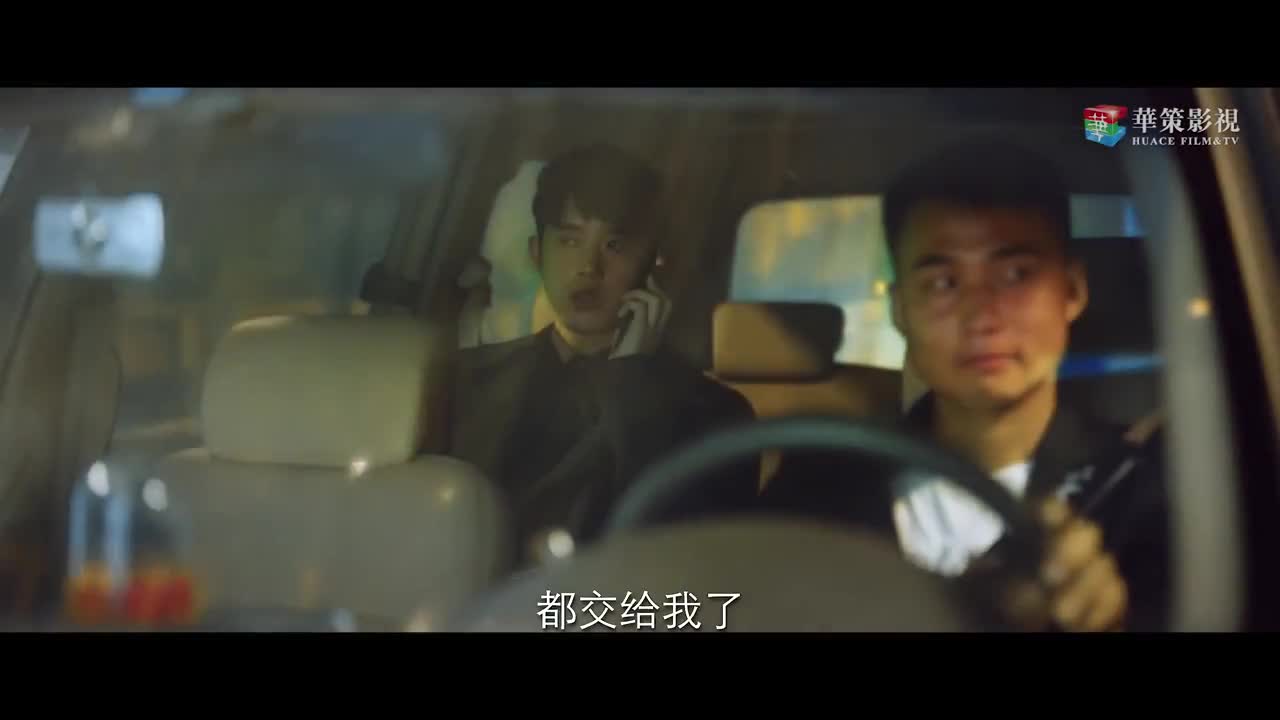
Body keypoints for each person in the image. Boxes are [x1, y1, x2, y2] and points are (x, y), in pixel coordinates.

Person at [760, 140, 1170, 632]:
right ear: (899, 310)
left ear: (1072, 290)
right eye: (943, 284)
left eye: (1015, 275)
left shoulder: (1153, 492)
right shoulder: (814, 489)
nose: (981, 316)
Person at [449, 143, 757, 560]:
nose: (588, 268)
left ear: (653, 263)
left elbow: (684, 554)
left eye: (614, 245)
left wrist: (632, 379)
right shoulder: (472, 381)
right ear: (537, 254)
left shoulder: (714, 414)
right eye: (569, 240)